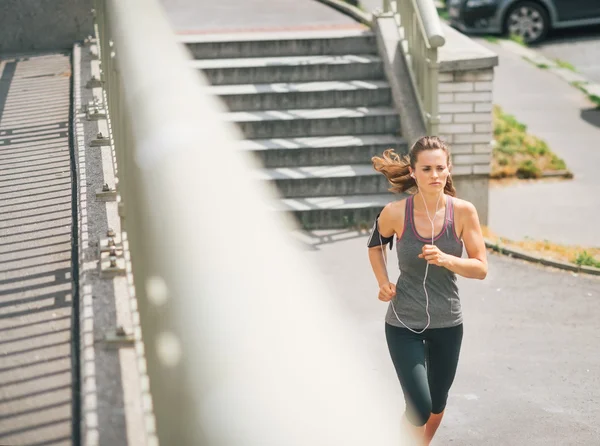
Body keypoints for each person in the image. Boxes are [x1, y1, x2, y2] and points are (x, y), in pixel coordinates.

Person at [367, 136, 488, 445]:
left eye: (440, 168)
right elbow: (375, 246)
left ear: (449, 170)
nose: (435, 175)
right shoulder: (395, 212)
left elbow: (481, 267)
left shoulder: (463, 212)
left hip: (447, 323)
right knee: (419, 407)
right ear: (413, 172)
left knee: (436, 404)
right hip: (403, 322)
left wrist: (448, 259)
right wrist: (383, 281)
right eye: (427, 169)